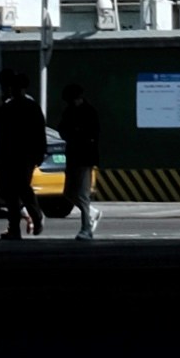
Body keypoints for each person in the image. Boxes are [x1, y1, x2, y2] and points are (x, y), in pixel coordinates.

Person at [0, 70, 47, 243]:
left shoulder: (21, 108)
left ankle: (31, 219)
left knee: (18, 190)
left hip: (20, 157)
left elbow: (38, 133)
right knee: (11, 193)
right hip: (13, 157)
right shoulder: (9, 107)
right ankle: (17, 227)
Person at [61, 80, 102, 246]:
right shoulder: (69, 111)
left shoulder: (88, 112)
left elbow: (93, 133)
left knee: (82, 194)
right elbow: (63, 129)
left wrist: (77, 133)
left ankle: (87, 229)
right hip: (73, 156)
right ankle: (91, 213)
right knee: (68, 192)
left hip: (84, 157)